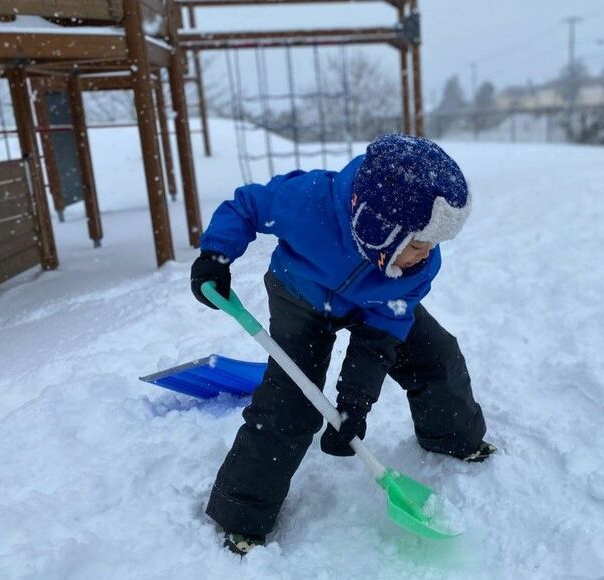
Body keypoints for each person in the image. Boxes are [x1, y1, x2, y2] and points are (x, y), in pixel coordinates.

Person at [190, 134, 495, 555]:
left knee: (436, 356)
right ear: (380, 229)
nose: (427, 256)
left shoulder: (414, 270)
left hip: (373, 303)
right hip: (301, 298)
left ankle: (454, 435)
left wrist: (354, 403)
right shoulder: (307, 201)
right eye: (420, 245)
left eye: (433, 245)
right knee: (291, 404)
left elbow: (382, 333)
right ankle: (242, 515)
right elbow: (246, 205)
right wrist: (216, 256)